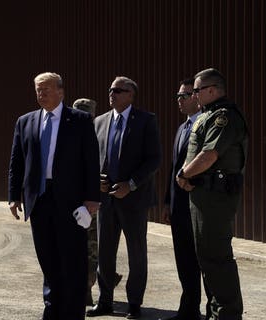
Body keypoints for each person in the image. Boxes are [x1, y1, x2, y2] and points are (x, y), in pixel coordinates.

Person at [8, 72, 100, 319]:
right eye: (38, 90)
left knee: (72, 259)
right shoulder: (25, 121)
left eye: (46, 89)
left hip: (71, 202)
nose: (42, 94)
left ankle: (72, 312)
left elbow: (91, 161)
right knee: (47, 258)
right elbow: (17, 162)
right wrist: (14, 195)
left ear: (61, 91)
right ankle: (53, 309)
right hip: (39, 200)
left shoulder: (79, 120)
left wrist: (92, 198)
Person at [87, 76, 161, 319]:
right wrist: (94, 180)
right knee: (105, 253)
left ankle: (134, 303)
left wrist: (130, 184)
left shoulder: (145, 121)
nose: (112, 94)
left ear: (131, 94)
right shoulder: (99, 122)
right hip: (105, 200)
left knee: (136, 253)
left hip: (134, 200)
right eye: (110, 90)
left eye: (118, 90)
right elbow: (90, 158)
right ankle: (105, 301)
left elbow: (153, 159)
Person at [176, 68, 247, 320]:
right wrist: (187, 177)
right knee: (206, 256)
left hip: (216, 197)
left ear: (212, 90)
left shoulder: (223, 117)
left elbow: (209, 155)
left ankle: (227, 314)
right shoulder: (206, 115)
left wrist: (184, 175)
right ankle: (216, 311)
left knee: (216, 257)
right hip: (202, 194)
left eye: (196, 90)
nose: (193, 95)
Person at [162, 78, 211, 320]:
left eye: (185, 95)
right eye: (178, 96)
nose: (180, 100)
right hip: (179, 206)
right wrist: (167, 202)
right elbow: (174, 168)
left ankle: (214, 311)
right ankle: (189, 309)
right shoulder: (182, 128)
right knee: (184, 260)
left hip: (199, 206)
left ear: (197, 97)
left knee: (206, 261)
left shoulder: (206, 125)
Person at [72, 98, 123, 306]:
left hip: (92, 203)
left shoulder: (99, 135)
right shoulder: (74, 136)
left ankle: (86, 288)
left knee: (91, 248)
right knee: (84, 248)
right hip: (76, 202)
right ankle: (85, 286)